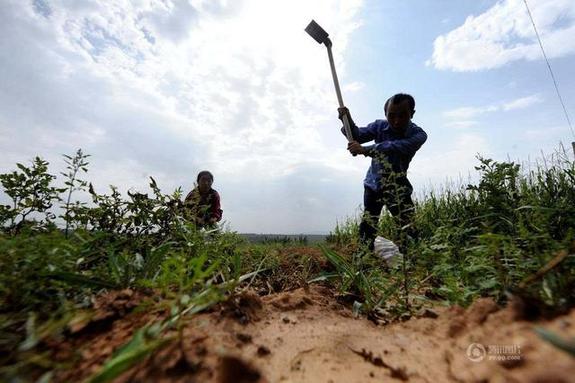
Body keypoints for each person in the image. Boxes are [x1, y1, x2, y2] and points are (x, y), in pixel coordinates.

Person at [338, 93, 427, 250]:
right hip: (373, 185)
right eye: (391, 116)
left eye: (402, 115)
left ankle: (413, 262)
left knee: (409, 229)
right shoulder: (379, 126)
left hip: (398, 187)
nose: (396, 121)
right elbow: (357, 135)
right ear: (385, 114)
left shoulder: (419, 135)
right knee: (368, 226)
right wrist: (347, 118)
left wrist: (365, 149)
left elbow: (394, 147)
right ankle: (363, 261)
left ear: (412, 114)